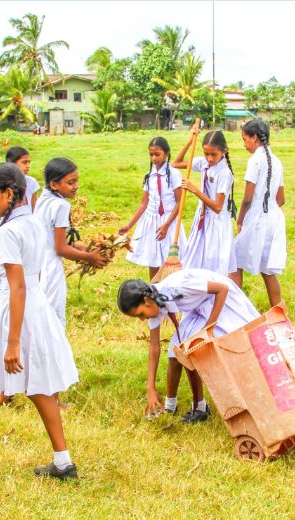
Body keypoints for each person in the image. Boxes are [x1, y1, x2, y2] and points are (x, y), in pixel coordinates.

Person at [0, 163, 81, 478]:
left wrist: (13, 341)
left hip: (12, 309)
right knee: (40, 385)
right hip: (34, 307)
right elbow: (31, 277)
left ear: (9, 193)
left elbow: (16, 285)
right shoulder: (32, 222)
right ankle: (63, 462)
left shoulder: (10, 230)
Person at [117, 268, 259, 423]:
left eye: (140, 314)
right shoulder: (155, 301)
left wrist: (208, 328)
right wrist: (150, 387)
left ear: (146, 300)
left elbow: (221, 289)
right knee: (176, 352)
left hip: (222, 303)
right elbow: (154, 347)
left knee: (229, 347)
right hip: (199, 308)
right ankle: (171, 406)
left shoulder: (177, 288)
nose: (143, 319)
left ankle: (203, 406)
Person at [33, 157, 107, 325]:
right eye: (71, 182)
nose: (76, 186)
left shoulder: (42, 200)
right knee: (54, 319)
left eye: (77, 181)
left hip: (37, 265)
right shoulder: (61, 205)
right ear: (54, 185)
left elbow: (52, 240)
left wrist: (83, 247)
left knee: (41, 317)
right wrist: (90, 257)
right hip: (51, 268)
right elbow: (60, 249)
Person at [233, 118, 287, 307]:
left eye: (244, 139)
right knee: (268, 269)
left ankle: (236, 308)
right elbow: (281, 199)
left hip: (257, 217)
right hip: (273, 217)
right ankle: (279, 312)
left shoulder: (255, 160)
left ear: (254, 137)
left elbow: (248, 197)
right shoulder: (277, 161)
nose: (244, 144)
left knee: (234, 259)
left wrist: (240, 220)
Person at [172, 125, 237, 276]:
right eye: (206, 153)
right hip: (201, 219)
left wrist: (194, 190)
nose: (209, 158)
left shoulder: (224, 174)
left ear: (224, 151)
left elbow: (218, 207)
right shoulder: (203, 163)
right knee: (194, 258)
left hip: (216, 222)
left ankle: (215, 294)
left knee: (212, 263)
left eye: (214, 154)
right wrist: (190, 139)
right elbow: (176, 163)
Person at [120, 136, 185, 280]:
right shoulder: (149, 176)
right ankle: (154, 290)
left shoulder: (174, 174)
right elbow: (144, 203)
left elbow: (180, 202)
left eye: (157, 154)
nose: (154, 158)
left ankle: (172, 291)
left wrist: (167, 225)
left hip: (169, 220)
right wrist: (129, 225)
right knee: (153, 258)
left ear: (166, 154)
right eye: (151, 155)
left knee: (170, 262)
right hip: (152, 221)